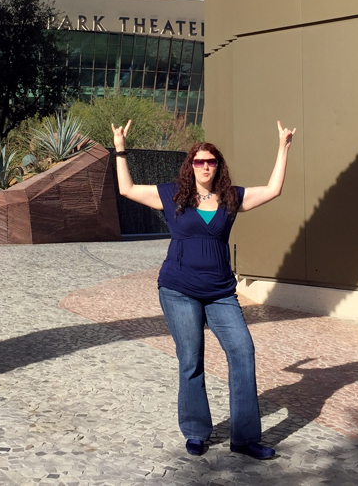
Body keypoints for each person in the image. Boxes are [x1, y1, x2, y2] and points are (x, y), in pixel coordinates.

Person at [111, 120, 295, 460]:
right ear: (190, 165)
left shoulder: (231, 197)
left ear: (218, 166)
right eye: (199, 161)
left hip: (221, 292)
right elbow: (127, 189)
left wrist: (283, 147)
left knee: (242, 352)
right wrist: (120, 147)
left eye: (211, 161)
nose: (205, 166)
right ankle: (196, 431)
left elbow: (272, 190)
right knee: (191, 358)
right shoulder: (171, 194)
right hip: (178, 289)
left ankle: (244, 438)